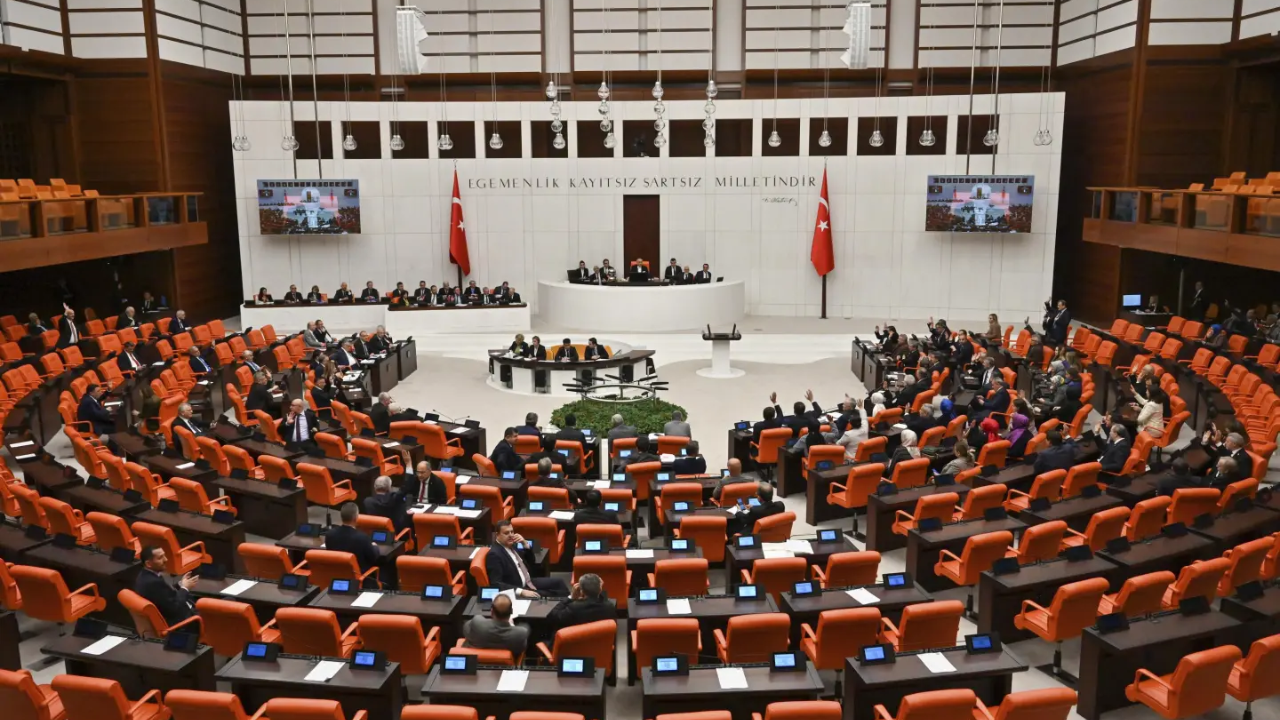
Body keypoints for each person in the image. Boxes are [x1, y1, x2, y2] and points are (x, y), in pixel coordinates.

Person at [486, 519, 569, 597]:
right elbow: (496, 583)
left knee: (559, 582)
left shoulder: (512, 544)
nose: (511, 535)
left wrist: (525, 544)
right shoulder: (494, 554)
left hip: (528, 581)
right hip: (518, 587)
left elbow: (531, 562)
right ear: (497, 535)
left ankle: (570, 603)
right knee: (555, 594)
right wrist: (521, 591)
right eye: (506, 533)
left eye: (512, 532)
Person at [135, 546, 197, 625]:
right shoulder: (153, 583)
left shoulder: (145, 575)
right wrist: (185, 588)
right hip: (182, 621)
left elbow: (165, 594)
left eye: (164, 555)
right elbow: (175, 608)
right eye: (160, 558)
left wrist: (180, 585)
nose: (166, 560)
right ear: (148, 563)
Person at [547, 573, 616, 637]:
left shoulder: (574, 608)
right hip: (599, 647)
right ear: (600, 589)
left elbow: (554, 616)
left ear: (581, 591)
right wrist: (598, 588)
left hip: (574, 647)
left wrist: (571, 597)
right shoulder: (610, 607)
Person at [324, 503, 380, 580]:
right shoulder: (362, 538)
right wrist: (375, 546)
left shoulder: (330, 535)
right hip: (358, 578)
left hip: (336, 577)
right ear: (356, 518)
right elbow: (373, 557)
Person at [462, 593, 530, 656]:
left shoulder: (477, 623)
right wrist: (512, 626)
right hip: (506, 665)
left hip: (478, 663)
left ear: (491, 612)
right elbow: (521, 648)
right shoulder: (520, 634)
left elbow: (465, 628)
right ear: (511, 611)